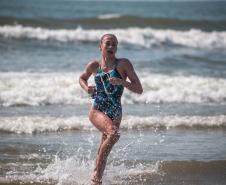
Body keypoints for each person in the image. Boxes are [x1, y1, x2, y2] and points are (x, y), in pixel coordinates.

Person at [79, 33, 143, 184]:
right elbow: (82, 78)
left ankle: (96, 179)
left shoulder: (124, 64)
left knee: (105, 146)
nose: (111, 46)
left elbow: (139, 89)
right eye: (107, 43)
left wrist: (122, 82)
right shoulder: (94, 65)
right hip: (98, 110)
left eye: (114, 44)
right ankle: (96, 173)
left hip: (115, 111)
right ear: (100, 46)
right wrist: (87, 88)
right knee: (113, 134)